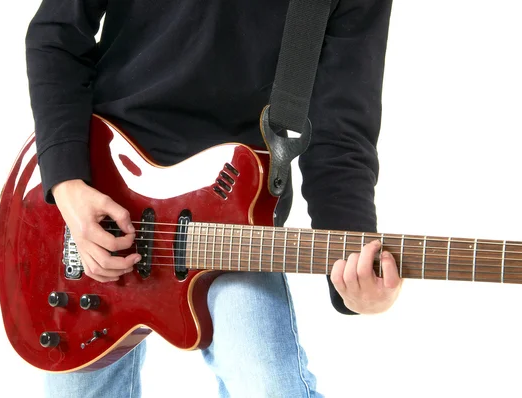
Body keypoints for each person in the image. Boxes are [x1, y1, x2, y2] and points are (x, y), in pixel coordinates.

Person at [25, 0, 401, 396]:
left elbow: (340, 133)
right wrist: (68, 185)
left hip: (235, 216)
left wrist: (355, 272)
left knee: (271, 388)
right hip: (104, 189)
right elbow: (56, 32)